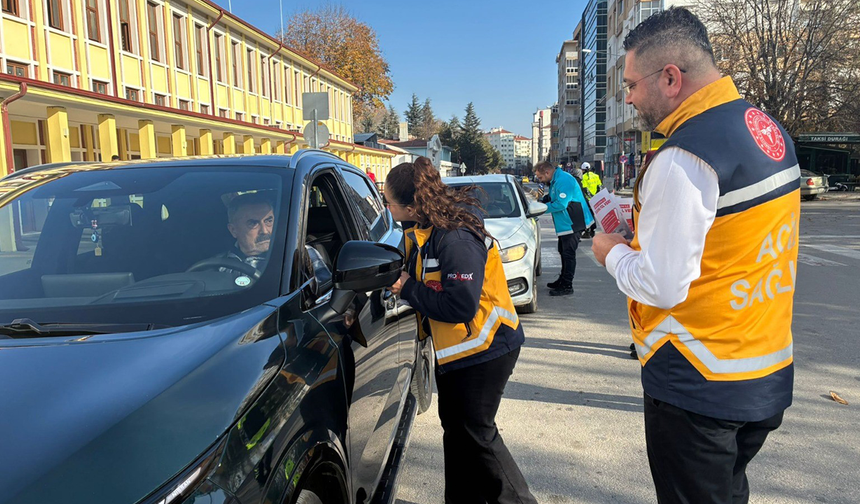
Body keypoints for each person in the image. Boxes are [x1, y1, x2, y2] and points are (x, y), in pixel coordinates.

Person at [591, 8, 798, 503]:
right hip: (763, 370)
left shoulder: (684, 157)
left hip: (698, 381)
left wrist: (610, 253)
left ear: (670, 78)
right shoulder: (763, 129)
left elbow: (662, 283)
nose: (629, 97)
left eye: (632, 84)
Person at [385, 157, 537, 504]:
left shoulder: (455, 238)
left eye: (388, 202)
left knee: (478, 435)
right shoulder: (423, 227)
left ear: (409, 206)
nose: (386, 208)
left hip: (486, 349)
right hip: (459, 352)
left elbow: (460, 307)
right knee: (456, 433)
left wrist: (408, 288)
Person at [534, 160, 594, 296]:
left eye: (541, 177)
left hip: (573, 222)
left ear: (547, 172)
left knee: (568, 254)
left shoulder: (564, 180)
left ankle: (567, 285)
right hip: (565, 223)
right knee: (562, 250)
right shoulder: (555, 180)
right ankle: (562, 279)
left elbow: (561, 204)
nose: (540, 180)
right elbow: (553, 196)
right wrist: (544, 200)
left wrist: (541, 209)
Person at [217, 192, 275, 275]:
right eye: (253, 223)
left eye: (269, 221)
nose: (265, 231)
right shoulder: (216, 267)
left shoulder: (290, 261)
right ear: (233, 230)